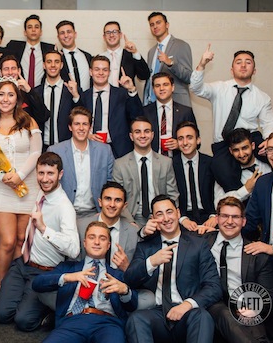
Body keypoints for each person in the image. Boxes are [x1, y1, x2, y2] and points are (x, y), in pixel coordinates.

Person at [0, 152, 79, 331]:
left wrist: (44, 229)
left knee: (24, 322)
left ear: (60, 175)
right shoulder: (41, 192)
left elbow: (74, 250)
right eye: (41, 173)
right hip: (22, 264)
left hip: (44, 272)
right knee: (2, 315)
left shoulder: (64, 208)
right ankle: (26, 296)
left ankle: (50, 311)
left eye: (50, 174)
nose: (45, 179)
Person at [124, 195, 221, 343]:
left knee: (202, 316)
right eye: (159, 214)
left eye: (169, 212)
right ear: (153, 218)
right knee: (136, 319)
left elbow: (214, 286)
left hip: (188, 312)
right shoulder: (146, 247)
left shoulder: (198, 245)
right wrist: (151, 262)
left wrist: (187, 305)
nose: (166, 218)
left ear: (178, 213)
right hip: (157, 314)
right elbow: (129, 279)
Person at [0, 78, 42, 287]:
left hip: (28, 186)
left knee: (21, 240)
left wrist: (20, 175)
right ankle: (2, 284)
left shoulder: (29, 121)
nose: (6, 99)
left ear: (17, 98)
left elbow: (36, 152)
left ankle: (16, 285)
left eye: (10, 95)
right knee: (7, 241)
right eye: (1, 94)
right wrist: (4, 178)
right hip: (1, 189)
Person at [32, 221, 138, 343]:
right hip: (72, 322)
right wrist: (67, 277)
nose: (97, 242)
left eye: (102, 238)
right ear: (85, 243)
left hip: (108, 324)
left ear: (108, 245)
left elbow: (133, 305)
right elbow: (37, 284)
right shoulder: (68, 268)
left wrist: (125, 290)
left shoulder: (117, 274)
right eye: (92, 237)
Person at [190, 46, 273, 160]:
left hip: (249, 142)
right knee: (223, 173)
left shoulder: (262, 97)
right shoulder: (219, 88)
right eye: (239, 62)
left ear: (254, 71)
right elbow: (196, 88)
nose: (243, 65)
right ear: (231, 70)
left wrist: (269, 140)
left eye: (248, 62)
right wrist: (202, 64)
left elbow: (269, 123)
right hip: (223, 143)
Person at [205, 196, 273, 343]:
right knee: (223, 312)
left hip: (243, 305)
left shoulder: (257, 254)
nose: (229, 221)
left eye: (235, 217)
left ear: (244, 221)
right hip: (211, 305)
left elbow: (268, 293)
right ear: (216, 219)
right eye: (224, 216)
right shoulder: (202, 243)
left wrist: (255, 309)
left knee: (258, 335)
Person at [244, 130, 273, 336]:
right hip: (266, 267)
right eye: (271, 149)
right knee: (256, 320)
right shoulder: (263, 183)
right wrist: (222, 225)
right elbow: (249, 222)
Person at [48, 107, 117, 238]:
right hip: (64, 213)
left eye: (85, 124)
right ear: (70, 127)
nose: (81, 128)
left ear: (90, 127)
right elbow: (49, 185)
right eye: (77, 124)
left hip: (95, 213)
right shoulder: (56, 151)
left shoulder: (104, 151)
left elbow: (111, 183)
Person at [113, 116, 179, 226]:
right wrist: (130, 222)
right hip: (130, 219)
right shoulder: (120, 164)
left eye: (146, 131)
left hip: (160, 219)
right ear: (131, 136)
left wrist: (166, 218)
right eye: (137, 132)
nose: (143, 135)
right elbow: (117, 200)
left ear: (152, 135)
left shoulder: (165, 162)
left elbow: (173, 195)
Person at [80, 55, 143, 159]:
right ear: (90, 72)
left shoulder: (122, 94)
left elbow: (138, 116)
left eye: (104, 70)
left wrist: (131, 89)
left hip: (119, 151)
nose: (101, 73)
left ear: (109, 72)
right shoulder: (84, 96)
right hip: (90, 148)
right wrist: (87, 135)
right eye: (97, 69)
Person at [174, 121, 218, 229]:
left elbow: (218, 192)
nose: (185, 143)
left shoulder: (210, 162)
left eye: (189, 137)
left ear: (198, 140)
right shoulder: (171, 165)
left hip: (209, 215)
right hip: (183, 217)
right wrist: (182, 219)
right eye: (180, 138)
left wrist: (214, 216)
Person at [33, 50, 80, 149]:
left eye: (56, 62)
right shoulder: (36, 92)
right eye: (49, 62)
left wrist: (75, 95)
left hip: (66, 146)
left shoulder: (72, 90)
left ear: (61, 65)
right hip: (42, 147)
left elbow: (81, 115)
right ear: (44, 65)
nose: (53, 65)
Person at [144, 12, 193, 107]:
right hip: (153, 104)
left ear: (167, 25)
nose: (155, 27)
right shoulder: (151, 52)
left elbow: (189, 77)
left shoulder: (181, 45)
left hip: (177, 103)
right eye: (152, 24)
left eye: (158, 23)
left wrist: (170, 63)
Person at [143, 72, 196, 156]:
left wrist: (180, 144)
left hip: (177, 160)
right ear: (153, 90)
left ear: (173, 87)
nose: (161, 88)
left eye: (165, 84)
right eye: (157, 86)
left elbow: (196, 141)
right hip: (153, 161)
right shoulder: (145, 112)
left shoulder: (185, 111)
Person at [90, 182, 139, 271]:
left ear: (124, 206)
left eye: (118, 200)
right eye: (108, 199)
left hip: (119, 282)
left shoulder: (134, 232)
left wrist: (127, 268)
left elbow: (139, 273)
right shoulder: (81, 227)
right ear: (100, 202)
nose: (112, 205)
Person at [214, 128, 270, 204]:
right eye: (236, 150)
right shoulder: (225, 173)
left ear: (253, 146)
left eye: (245, 148)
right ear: (230, 151)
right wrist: (246, 190)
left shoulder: (269, 164)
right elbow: (218, 203)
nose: (241, 154)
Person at [5, 14, 55, 88]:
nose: (33, 30)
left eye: (36, 27)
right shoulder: (14, 46)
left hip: (42, 92)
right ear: (25, 32)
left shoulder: (49, 49)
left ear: (41, 32)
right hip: (19, 91)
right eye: (30, 27)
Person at [101, 20, 150, 88]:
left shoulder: (130, 55)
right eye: (108, 32)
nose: (111, 35)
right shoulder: (99, 58)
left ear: (120, 35)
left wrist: (135, 52)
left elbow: (144, 76)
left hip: (127, 96)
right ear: (104, 37)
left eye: (115, 32)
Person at [55, 20, 93, 91]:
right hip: (66, 100)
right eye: (62, 33)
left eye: (69, 32)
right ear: (58, 37)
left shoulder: (87, 56)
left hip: (87, 100)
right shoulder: (57, 59)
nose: (66, 35)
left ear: (75, 34)